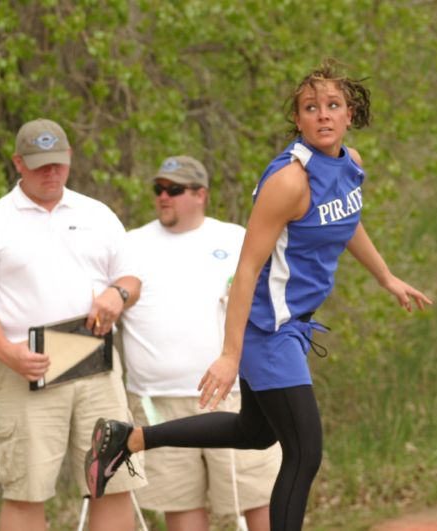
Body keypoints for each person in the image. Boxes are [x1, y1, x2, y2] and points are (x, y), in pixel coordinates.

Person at [85, 62, 433, 530]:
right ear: (298, 118)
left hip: (294, 324)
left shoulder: (350, 164)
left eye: (333, 106)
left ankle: (128, 440)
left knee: (256, 432)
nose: (323, 116)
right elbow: (246, 270)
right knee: (305, 451)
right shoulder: (289, 181)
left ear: (350, 114)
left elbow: (347, 222)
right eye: (311, 108)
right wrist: (231, 354)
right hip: (269, 329)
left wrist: (386, 276)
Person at [0, 118, 145, 531]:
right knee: (26, 488)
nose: (51, 172)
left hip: (96, 361)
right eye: (40, 164)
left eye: (58, 163)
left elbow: (131, 278)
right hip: (28, 365)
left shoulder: (97, 214)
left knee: (111, 480)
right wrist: (8, 354)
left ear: (70, 159)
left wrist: (119, 295)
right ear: (18, 163)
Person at [120, 155, 281, 531]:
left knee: (258, 497)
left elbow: (270, 299)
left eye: (174, 190)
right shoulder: (130, 244)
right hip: (158, 402)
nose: (164, 197)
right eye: (159, 189)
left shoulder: (234, 237)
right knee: (182, 506)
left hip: (232, 395)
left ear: (200, 194)